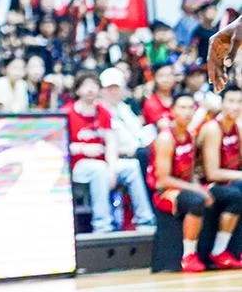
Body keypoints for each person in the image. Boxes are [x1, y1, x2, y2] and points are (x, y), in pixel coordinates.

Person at [151, 92, 242, 272]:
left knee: (234, 197)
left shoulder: (190, 135)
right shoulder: (166, 138)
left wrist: (199, 186)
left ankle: (219, 251)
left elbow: (191, 172)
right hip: (165, 190)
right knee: (195, 200)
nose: (186, 112)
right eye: (182, 108)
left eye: (190, 108)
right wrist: (196, 188)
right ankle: (188, 256)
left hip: (186, 185)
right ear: (173, 111)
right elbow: (163, 179)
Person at [66, 72, 154, 234]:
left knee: (131, 166)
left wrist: (112, 168)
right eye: (86, 85)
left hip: (103, 163)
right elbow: (59, 146)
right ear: (78, 90)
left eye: (94, 85)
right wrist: (82, 149)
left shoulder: (103, 112)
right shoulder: (67, 112)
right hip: (77, 166)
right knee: (98, 168)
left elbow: (111, 142)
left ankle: (145, 220)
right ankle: (103, 225)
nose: (90, 89)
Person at [144, 61, 180, 129]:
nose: (166, 79)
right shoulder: (151, 102)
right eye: (161, 76)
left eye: (169, 75)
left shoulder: (179, 97)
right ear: (154, 78)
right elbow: (164, 127)